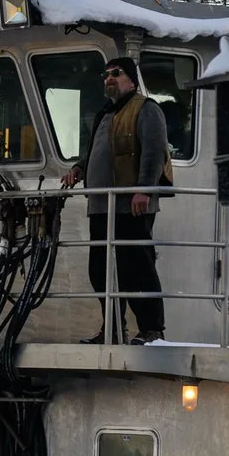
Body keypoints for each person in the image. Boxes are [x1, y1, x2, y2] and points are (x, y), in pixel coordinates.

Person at [59, 56, 170, 346]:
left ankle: (152, 329)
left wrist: (144, 189)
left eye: (116, 73)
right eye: (105, 74)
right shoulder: (105, 113)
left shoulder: (146, 109)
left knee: (138, 266)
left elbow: (154, 151)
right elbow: (97, 149)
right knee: (101, 269)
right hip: (101, 206)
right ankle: (113, 328)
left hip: (130, 206)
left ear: (131, 79)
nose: (109, 78)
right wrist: (79, 168)